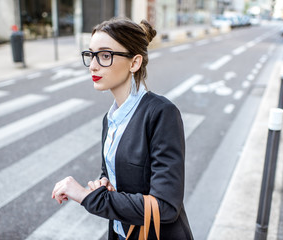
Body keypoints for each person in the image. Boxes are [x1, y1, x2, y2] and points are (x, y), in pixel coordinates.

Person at [52, 17, 193, 240]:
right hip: (121, 234)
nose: (94, 65)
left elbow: (165, 207)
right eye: (91, 54)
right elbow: (113, 176)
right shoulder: (109, 120)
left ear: (134, 63)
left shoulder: (161, 113)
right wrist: (103, 184)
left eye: (105, 55)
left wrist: (86, 196)